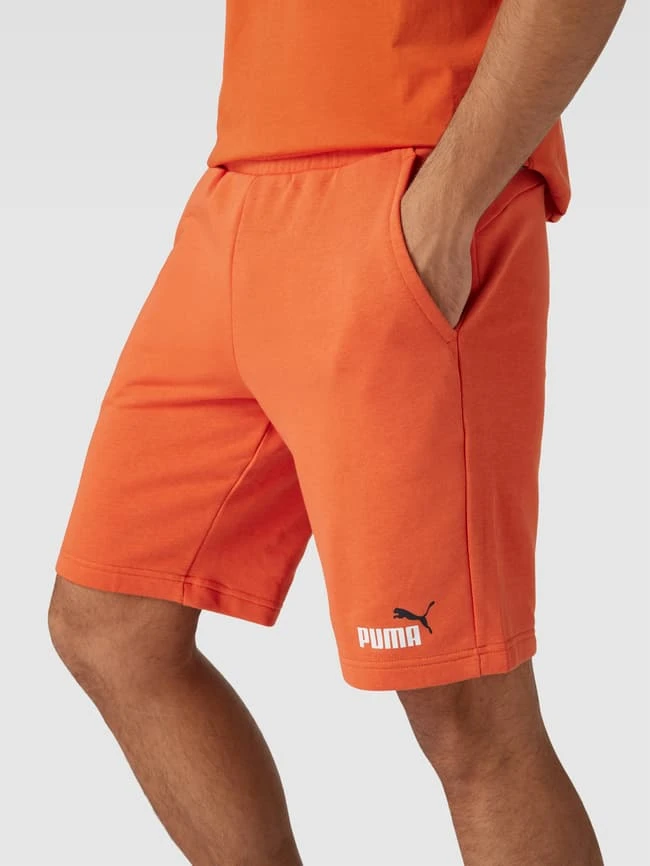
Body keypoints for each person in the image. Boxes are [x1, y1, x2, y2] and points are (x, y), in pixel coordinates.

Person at [48, 0, 627, 863]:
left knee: (466, 708)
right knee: (108, 623)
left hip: (407, 181)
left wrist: (448, 205)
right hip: (238, 189)